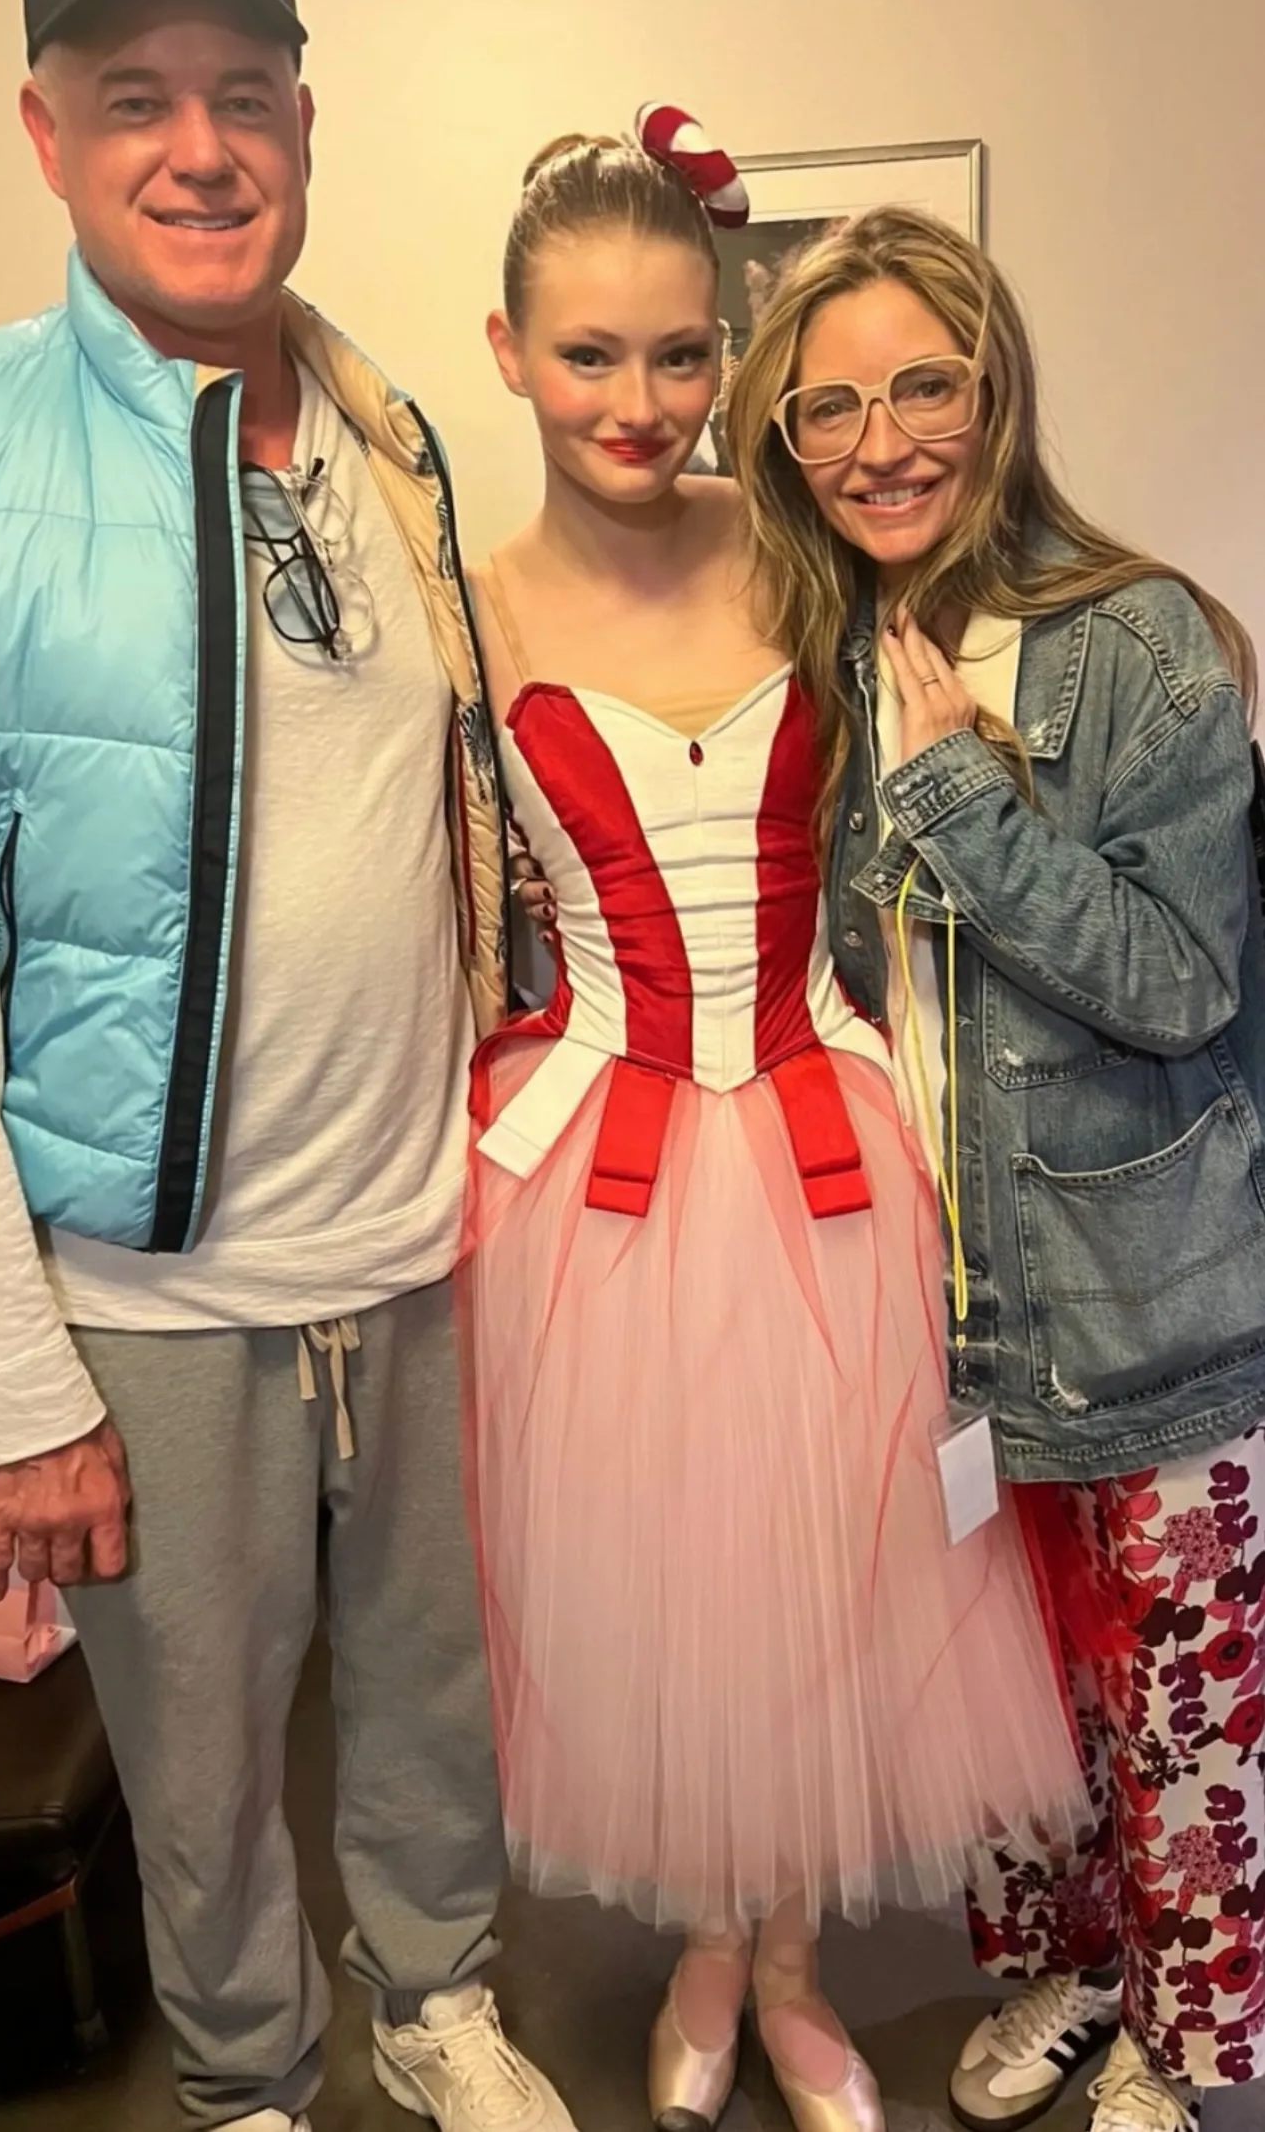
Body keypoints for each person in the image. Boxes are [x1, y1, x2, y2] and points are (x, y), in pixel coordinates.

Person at [0, 0, 576, 2129]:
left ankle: (434, 1999)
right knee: (203, 1754)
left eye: (243, 92)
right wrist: (8, 1382)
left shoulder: (395, 430)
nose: (200, 147)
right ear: (46, 131)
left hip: (419, 1241)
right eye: (136, 97)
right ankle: (245, 2082)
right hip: (147, 1288)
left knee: (433, 1691)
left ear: (306, 125)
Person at [460, 108, 1091, 2132]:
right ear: (507, 351)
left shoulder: (803, 547)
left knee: (837, 1573)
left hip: (830, 1138)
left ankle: (796, 1961)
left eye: (677, 354)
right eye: (587, 354)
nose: (637, 401)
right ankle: (706, 1951)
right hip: (604, 1174)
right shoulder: (471, 608)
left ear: (723, 353)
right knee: (664, 1594)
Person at [726, 205, 1265, 2132]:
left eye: (922, 387)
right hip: (941, 1304)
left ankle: (1187, 2052)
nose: (878, 443)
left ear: (996, 390)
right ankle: (1070, 1971)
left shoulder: (1141, 645)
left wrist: (960, 792)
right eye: (828, 407)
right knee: (1015, 1708)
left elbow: (1182, 982)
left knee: (1178, 1715)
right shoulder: (832, 652)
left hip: (1148, 1298)